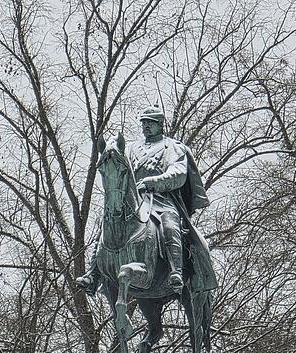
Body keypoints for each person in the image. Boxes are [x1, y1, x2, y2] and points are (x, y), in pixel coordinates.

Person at [77, 103, 215, 295]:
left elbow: (178, 174)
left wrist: (153, 182)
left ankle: (176, 272)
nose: (146, 126)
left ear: (160, 124)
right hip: (135, 202)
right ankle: (93, 274)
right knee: (106, 223)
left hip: (162, 201)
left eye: (150, 122)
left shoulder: (174, 148)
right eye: (143, 123)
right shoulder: (131, 148)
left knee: (170, 224)